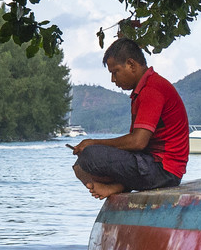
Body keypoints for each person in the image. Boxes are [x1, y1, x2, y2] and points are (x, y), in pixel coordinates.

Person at [69, 38, 189, 199]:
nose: (113, 79)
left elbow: (138, 142)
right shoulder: (143, 90)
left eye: (115, 72)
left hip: (164, 171)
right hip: (151, 163)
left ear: (131, 64)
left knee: (90, 155)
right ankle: (119, 186)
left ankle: (119, 186)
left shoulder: (152, 89)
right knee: (79, 167)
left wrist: (94, 143)